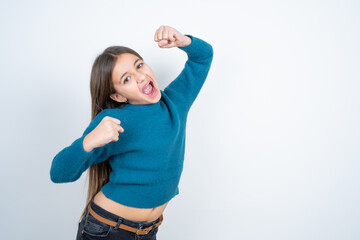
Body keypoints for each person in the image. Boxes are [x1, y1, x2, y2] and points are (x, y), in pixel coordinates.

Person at [50, 25, 213, 240]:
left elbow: (203, 57)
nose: (140, 76)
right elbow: (59, 173)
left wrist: (184, 41)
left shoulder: (175, 103)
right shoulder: (114, 121)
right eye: (126, 79)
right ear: (118, 97)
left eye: (139, 65)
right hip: (106, 230)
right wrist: (88, 142)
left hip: (148, 231)